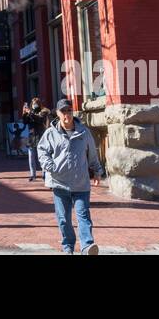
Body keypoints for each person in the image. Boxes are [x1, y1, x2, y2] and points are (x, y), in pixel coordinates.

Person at [36, 98, 105, 255]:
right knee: (64, 219)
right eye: (63, 111)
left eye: (69, 110)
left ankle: (87, 246)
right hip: (59, 183)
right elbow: (42, 151)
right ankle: (68, 247)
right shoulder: (51, 133)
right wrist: (49, 166)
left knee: (84, 216)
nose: (67, 114)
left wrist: (97, 171)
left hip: (80, 182)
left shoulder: (83, 132)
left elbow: (92, 154)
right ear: (58, 114)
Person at [21, 98, 52, 182]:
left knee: (41, 157)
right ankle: (32, 174)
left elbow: (39, 119)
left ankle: (44, 174)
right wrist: (24, 113)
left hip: (40, 137)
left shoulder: (43, 111)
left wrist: (30, 113)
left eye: (36, 103)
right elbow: (25, 122)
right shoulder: (31, 112)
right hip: (31, 137)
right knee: (31, 157)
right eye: (33, 104)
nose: (35, 105)